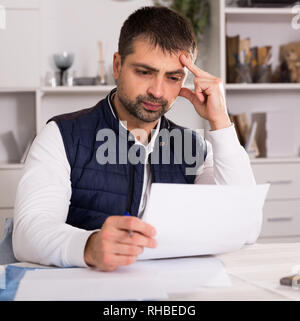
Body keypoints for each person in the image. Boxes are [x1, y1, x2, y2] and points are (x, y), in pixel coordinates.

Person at [13, 6, 256, 272]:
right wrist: (88, 245)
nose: (157, 91)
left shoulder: (194, 148)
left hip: (169, 293)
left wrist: (220, 121)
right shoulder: (62, 136)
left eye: (173, 77)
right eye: (144, 72)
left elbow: (245, 228)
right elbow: (28, 234)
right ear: (117, 66)